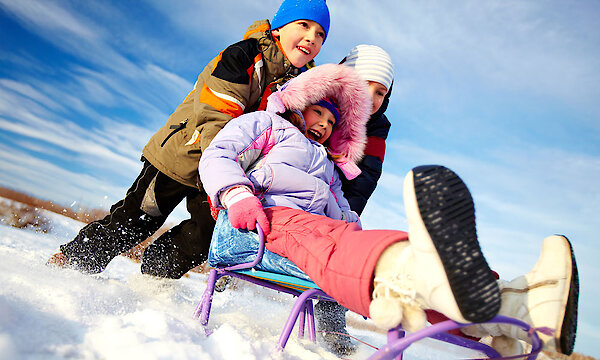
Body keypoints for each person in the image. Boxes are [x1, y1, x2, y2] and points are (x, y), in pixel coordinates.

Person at [200, 66, 579, 356]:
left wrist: (353, 224)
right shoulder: (269, 125)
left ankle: (512, 309)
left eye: (333, 123)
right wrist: (236, 194)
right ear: (300, 101)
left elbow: (342, 212)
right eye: (320, 113)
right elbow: (218, 154)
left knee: (364, 244)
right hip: (257, 225)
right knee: (351, 250)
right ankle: (443, 278)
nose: (325, 125)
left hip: (308, 231)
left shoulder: (329, 166)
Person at [46, 0, 331, 279]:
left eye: (320, 34)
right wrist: (225, 177)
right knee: (138, 220)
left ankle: (154, 278)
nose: (311, 38)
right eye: (303, 25)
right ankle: (73, 262)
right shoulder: (243, 56)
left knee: (206, 235)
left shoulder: (303, 85)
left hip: (229, 171)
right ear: (279, 28)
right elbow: (215, 116)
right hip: (186, 154)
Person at [314, 44, 395, 355]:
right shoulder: (318, 101)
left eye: (381, 93)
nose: (373, 99)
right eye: (365, 86)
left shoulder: (377, 127)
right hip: (297, 191)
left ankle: (332, 323)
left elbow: (366, 175)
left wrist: (346, 213)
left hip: (339, 201)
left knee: (344, 249)